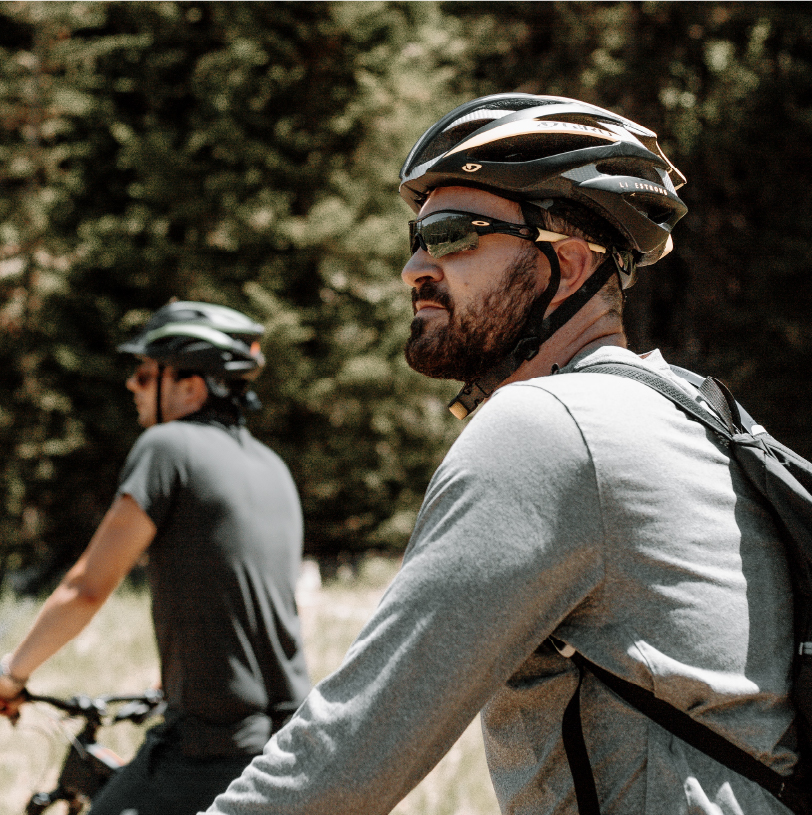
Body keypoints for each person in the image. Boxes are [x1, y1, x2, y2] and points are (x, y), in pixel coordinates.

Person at [200, 96, 802, 814]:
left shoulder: (550, 426)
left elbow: (349, 753)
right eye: (417, 237)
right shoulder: (692, 408)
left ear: (567, 263)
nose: (414, 268)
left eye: (452, 235)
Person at [0, 300, 311, 815]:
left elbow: (85, 589)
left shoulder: (167, 447)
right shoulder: (273, 467)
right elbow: (243, 597)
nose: (132, 385)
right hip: (286, 741)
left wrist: (12, 675)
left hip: (207, 748)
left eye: (146, 374)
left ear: (191, 387)